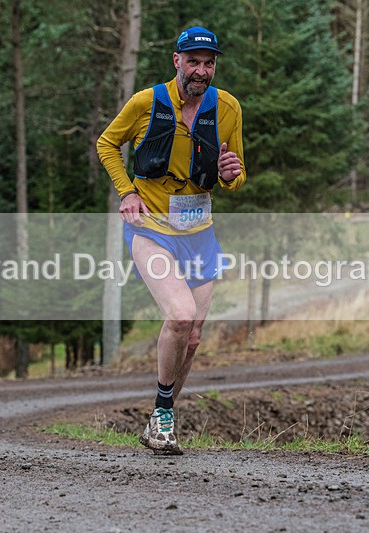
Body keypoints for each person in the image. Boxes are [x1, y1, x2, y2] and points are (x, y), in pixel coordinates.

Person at [97, 26, 246, 454]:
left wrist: (233, 177)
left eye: (209, 62)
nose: (202, 70)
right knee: (180, 316)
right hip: (152, 229)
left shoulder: (229, 108)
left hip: (200, 232)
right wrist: (126, 191)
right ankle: (164, 416)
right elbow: (107, 144)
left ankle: (160, 421)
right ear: (176, 61)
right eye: (194, 61)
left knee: (194, 335)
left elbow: (234, 170)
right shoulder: (147, 102)